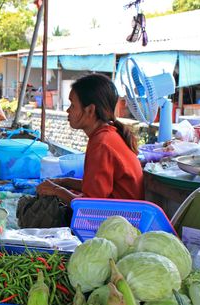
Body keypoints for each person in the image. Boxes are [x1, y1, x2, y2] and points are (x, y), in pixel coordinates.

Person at [17, 74, 143, 229]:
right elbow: (97, 188)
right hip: (117, 215)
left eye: (72, 105)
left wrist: (57, 191)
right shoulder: (107, 135)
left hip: (121, 224)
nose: (68, 111)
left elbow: (90, 206)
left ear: (90, 110)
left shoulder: (102, 143)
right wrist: (63, 182)